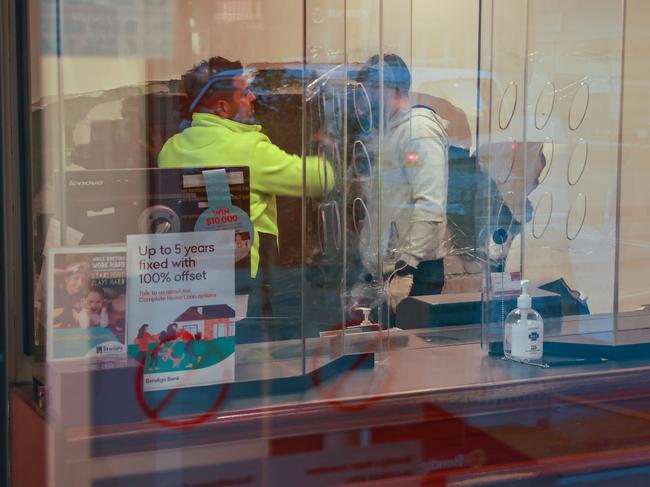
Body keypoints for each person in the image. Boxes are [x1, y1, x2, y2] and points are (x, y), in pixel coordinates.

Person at [158, 57, 333, 325]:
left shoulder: (171, 149)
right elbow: (317, 179)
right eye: (244, 93)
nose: (253, 96)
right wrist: (331, 150)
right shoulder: (249, 148)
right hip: (240, 276)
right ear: (222, 107)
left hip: (186, 277)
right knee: (245, 354)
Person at [355, 54, 450, 313]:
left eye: (373, 89)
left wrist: (406, 268)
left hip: (413, 273)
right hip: (391, 270)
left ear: (392, 88)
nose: (367, 98)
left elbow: (430, 206)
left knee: (410, 352)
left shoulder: (418, 131)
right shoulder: (392, 131)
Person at [52, 262, 90, 328]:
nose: (80, 283)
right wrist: (67, 271)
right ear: (66, 279)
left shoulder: (83, 298)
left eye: (83, 279)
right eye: (76, 278)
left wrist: (85, 310)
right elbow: (48, 273)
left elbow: (84, 326)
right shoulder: (56, 291)